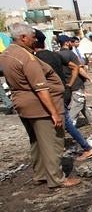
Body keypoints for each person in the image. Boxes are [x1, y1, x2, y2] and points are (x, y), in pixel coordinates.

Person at [0, 23, 80, 188]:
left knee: (36, 141)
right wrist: (54, 113)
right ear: (23, 37)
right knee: (52, 142)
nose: (34, 40)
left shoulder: (7, 54)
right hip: (40, 106)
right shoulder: (26, 58)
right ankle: (57, 179)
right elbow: (41, 89)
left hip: (23, 104)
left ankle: (40, 174)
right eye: (32, 37)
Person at [34, 31, 92, 162]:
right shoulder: (55, 55)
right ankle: (81, 147)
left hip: (52, 94)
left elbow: (76, 68)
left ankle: (84, 148)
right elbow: (76, 68)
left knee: (63, 120)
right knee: (65, 119)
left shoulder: (36, 59)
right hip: (63, 91)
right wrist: (68, 85)